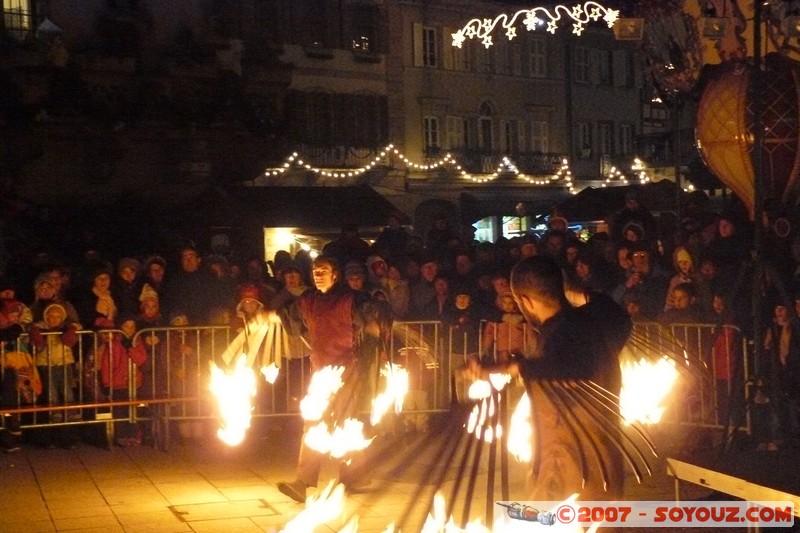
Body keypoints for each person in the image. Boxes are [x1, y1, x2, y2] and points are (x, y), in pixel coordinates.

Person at [478, 255, 632, 501]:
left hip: (567, 471)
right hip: (607, 466)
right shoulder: (599, 319)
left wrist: (513, 366)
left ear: (525, 302)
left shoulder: (560, 334)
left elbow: (570, 368)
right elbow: (616, 314)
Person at [275, 255, 389, 503]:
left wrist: (372, 324)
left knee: (344, 422)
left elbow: (372, 313)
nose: (317, 274)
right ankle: (304, 482)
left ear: (335, 274)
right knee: (314, 420)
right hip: (320, 370)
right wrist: (266, 318)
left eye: (323, 270)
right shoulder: (308, 300)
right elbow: (289, 318)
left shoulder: (351, 298)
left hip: (348, 369)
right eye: (315, 270)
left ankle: (353, 475)